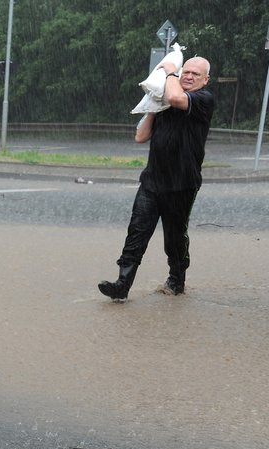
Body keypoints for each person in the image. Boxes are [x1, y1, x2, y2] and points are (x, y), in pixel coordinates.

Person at [98, 55, 214, 300]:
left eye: (195, 74)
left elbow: (176, 98)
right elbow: (140, 137)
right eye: (186, 72)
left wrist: (170, 72)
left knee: (174, 238)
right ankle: (122, 284)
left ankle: (176, 280)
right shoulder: (165, 100)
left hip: (182, 184)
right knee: (136, 232)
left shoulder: (203, 100)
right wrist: (153, 104)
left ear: (205, 80)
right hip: (152, 182)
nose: (189, 76)